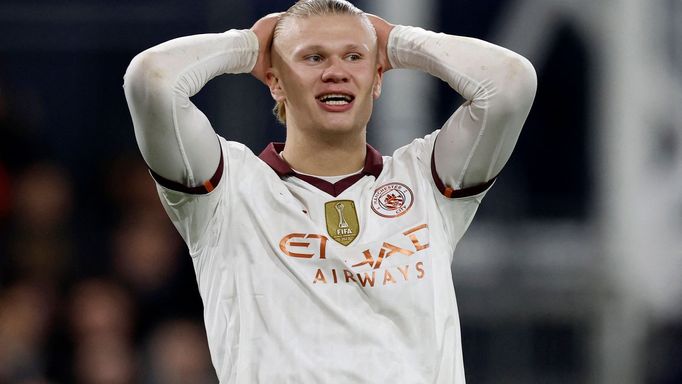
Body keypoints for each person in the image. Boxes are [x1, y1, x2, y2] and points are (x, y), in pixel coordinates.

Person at [123, 0, 537, 382]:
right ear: (275, 82)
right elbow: (150, 82)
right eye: (313, 57)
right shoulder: (226, 189)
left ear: (377, 80)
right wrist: (247, 46)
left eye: (354, 56)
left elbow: (510, 83)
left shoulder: (425, 181)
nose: (335, 71)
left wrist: (396, 42)